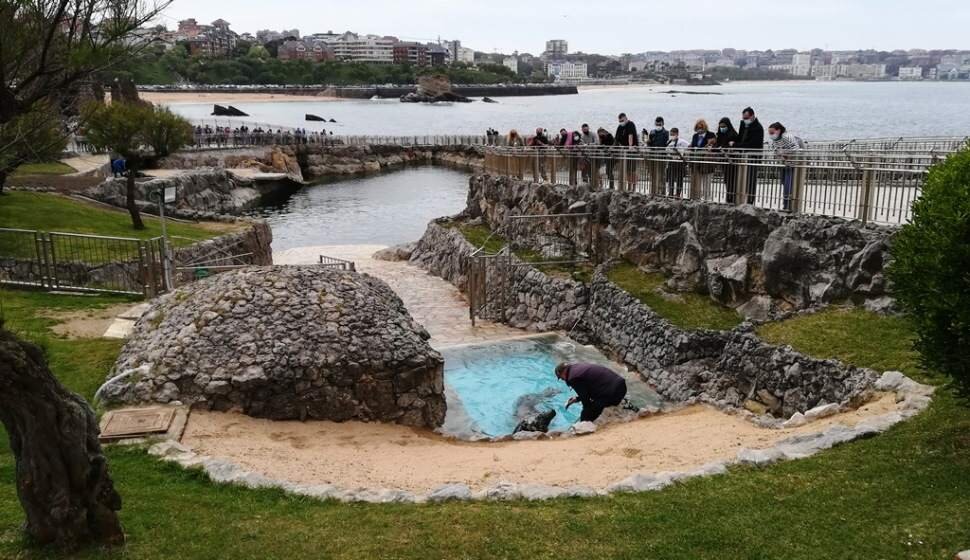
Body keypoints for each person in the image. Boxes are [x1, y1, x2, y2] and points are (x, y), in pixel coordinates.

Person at [555, 362, 628, 423]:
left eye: (561, 378)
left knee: (585, 416)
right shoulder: (577, 367)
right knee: (595, 400)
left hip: (612, 394)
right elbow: (589, 390)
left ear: (563, 372)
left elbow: (585, 400)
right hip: (621, 387)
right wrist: (577, 399)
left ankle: (586, 436)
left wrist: (586, 413)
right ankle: (627, 405)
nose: (563, 380)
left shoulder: (573, 377)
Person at [768, 122, 803, 211]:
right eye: (769, 133)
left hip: (792, 164)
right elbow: (774, 150)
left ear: (778, 130)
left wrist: (786, 154)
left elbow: (796, 149)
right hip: (783, 164)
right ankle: (786, 204)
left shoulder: (787, 137)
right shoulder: (774, 141)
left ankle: (788, 205)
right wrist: (779, 156)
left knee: (789, 185)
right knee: (785, 184)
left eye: (772, 133)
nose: (771, 135)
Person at [736, 107, 765, 204]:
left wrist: (736, 145)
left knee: (751, 179)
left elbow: (752, 144)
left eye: (747, 117)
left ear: (752, 116)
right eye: (743, 117)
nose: (745, 120)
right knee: (741, 178)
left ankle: (750, 200)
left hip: (753, 157)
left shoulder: (758, 128)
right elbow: (740, 138)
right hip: (743, 157)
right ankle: (741, 198)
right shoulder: (743, 125)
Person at [715, 117, 740, 203]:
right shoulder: (719, 135)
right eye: (721, 126)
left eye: (724, 126)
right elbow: (717, 145)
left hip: (732, 161)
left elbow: (735, 146)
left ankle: (732, 197)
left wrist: (723, 147)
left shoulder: (733, 134)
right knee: (727, 179)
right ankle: (728, 196)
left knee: (732, 180)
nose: (722, 128)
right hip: (724, 160)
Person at [690, 119, 717, 198]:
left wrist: (710, 148)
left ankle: (707, 198)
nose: (699, 129)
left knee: (707, 181)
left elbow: (715, 147)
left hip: (707, 162)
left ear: (704, 127)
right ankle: (696, 197)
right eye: (698, 128)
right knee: (697, 181)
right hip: (696, 162)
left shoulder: (711, 135)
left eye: (701, 127)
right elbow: (692, 147)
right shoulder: (695, 136)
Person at [614, 113, 639, 191]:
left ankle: (634, 187)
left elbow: (630, 136)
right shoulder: (620, 127)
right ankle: (628, 186)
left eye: (622, 120)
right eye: (620, 121)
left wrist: (630, 146)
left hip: (632, 151)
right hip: (624, 151)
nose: (621, 122)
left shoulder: (630, 124)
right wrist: (614, 147)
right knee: (627, 170)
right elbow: (616, 138)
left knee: (633, 170)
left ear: (626, 118)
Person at [647, 117, 670, 195]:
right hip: (652, 156)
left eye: (659, 124)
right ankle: (653, 191)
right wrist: (648, 141)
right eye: (656, 124)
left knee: (661, 175)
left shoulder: (666, 133)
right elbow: (649, 144)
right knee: (653, 174)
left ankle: (662, 192)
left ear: (663, 124)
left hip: (662, 157)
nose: (658, 126)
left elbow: (666, 144)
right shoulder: (652, 132)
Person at [666, 128, 689, 196]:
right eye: (671, 134)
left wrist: (684, 154)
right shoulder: (669, 142)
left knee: (679, 178)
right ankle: (670, 193)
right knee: (671, 178)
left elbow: (689, 146)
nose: (672, 136)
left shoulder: (682, 141)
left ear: (677, 134)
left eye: (673, 134)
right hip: (671, 161)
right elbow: (666, 151)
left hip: (679, 162)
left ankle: (678, 194)